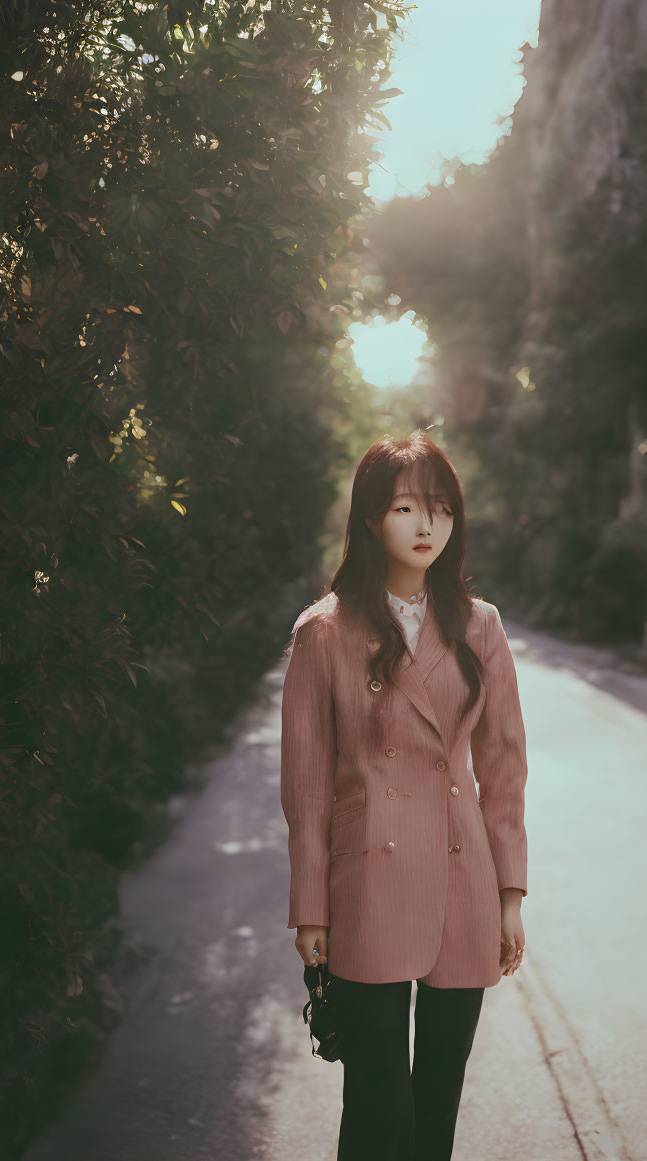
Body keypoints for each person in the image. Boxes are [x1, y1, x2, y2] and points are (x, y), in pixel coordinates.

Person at [279, 431, 528, 1161]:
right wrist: (309, 906)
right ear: (368, 520)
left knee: (436, 1098)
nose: (426, 526)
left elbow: (504, 766)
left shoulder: (479, 625)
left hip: (462, 875)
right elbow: (305, 786)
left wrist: (510, 893)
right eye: (406, 508)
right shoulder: (323, 632)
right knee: (376, 1099)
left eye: (441, 509)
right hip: (368, 881)